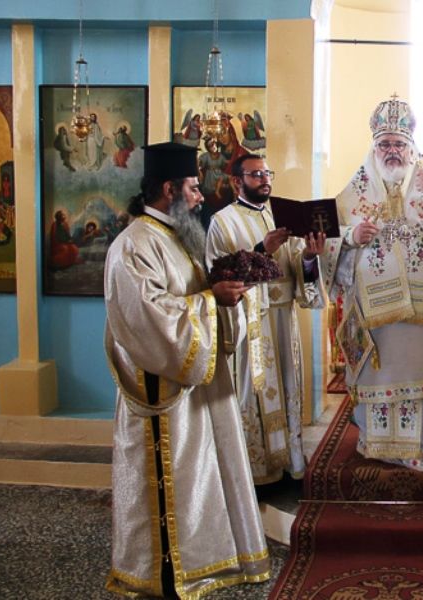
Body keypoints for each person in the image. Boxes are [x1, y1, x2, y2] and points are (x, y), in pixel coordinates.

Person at [104, 142, 269, 598]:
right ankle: (167, 573)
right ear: (169, 189)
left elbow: (194, 298)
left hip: (197, 387)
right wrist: (212, 299)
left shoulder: (178, 237)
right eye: (194, 188)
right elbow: (147, 318)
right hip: (163, 395)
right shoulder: (133, 245)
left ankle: (206, 561)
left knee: (200, 480)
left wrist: (225, 294)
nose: (200, 197)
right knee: (173, 484)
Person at [319, 97, 423, 471]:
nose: (392, 151)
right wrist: (351, 236)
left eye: (399, 144)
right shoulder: (356, 188)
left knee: (418, 371)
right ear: (375, 147)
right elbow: (328, 236)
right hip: (372, 313)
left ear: (410, 147)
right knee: (378, 371)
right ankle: (378, 444)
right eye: (385, 144)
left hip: (418, 312)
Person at [205, 153, 326, 484]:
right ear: (237, 181)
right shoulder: (222, 222)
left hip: (283, 319)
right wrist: (262, 249)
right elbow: (218, 273)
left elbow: (297, 266)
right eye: (256, 174)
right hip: (251, 324)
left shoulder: (281, 215)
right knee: (254, 391)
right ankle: (257, 472)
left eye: (267, 173)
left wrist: (309, 256)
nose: (264, 179)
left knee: (288, 387)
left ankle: (290, 463)